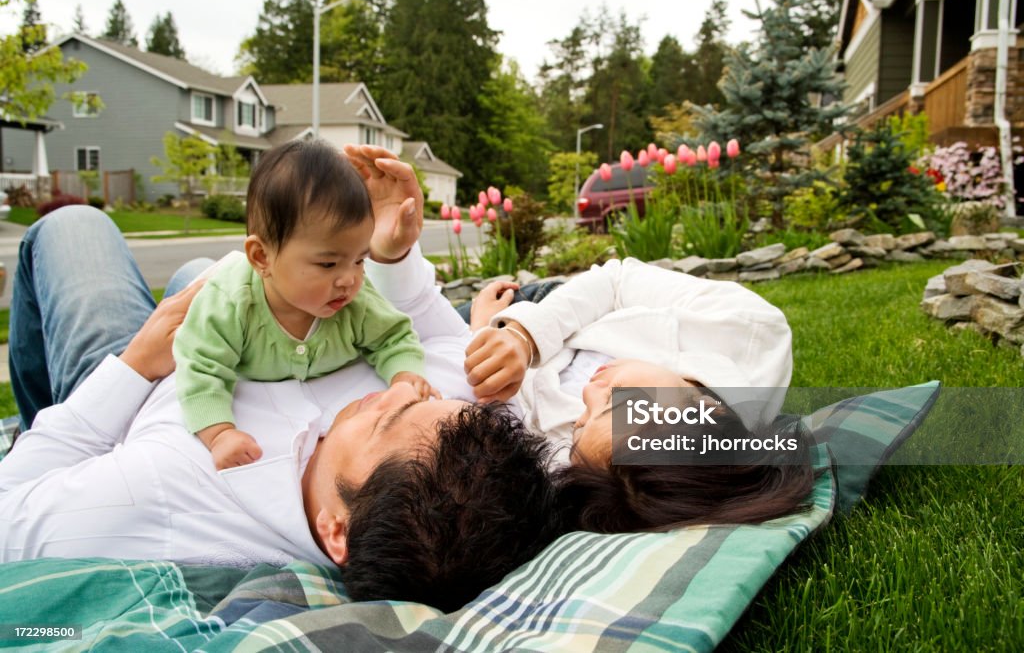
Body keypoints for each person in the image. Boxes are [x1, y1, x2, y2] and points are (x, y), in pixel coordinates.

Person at [0, 147, 559, 614]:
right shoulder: (457, 444)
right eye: (418, 398)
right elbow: (437, 343)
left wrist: (133, 364)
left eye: (380, 416)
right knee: (198, 274)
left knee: (74, 225)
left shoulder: (164, 495)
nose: (387, 392)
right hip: (248, 309)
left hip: (142, 384)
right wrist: (390, 253)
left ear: (337, 530)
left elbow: (9, 511)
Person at [462, 256, 816, 533]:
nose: (589, 393)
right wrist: (521, 335)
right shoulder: (746, 329)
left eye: (580, 427)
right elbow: (615, 281)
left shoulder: (605, 477)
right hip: (551, 308)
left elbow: (496, 410)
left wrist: (478, 337)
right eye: (617, 402)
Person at [174, 140, 434, 470]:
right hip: (205, 286)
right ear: (261, 256)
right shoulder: (228, 304)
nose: (348, 280)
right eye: (328, 265)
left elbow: (393, 337)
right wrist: (220, 433)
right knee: (189, 285)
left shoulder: (356, 301)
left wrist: (405, 374)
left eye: (359, 260)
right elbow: (200, 366)